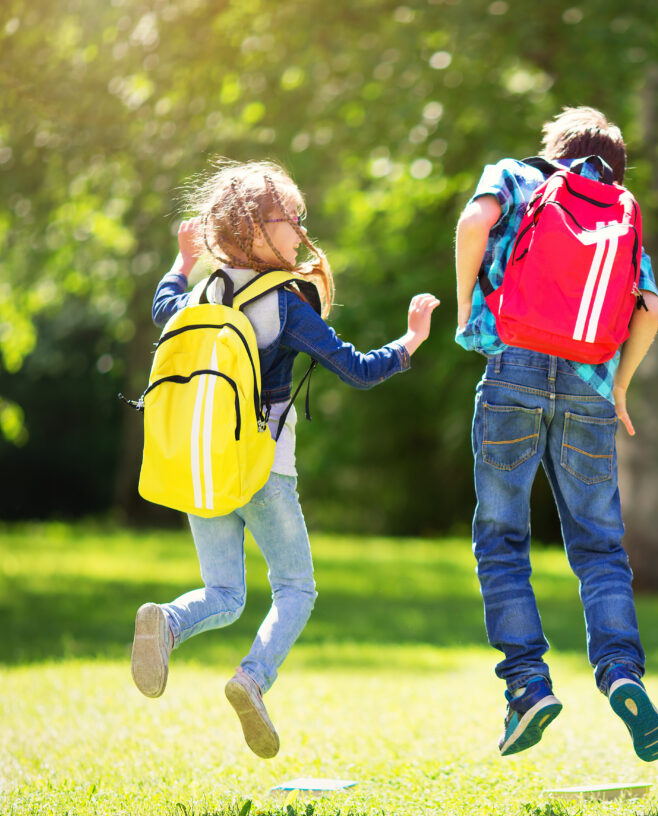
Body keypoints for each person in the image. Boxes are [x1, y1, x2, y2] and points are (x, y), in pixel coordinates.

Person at [130, 160, 440, 758]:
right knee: (296, 587)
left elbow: (161, 304)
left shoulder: (199, 294)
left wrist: (181, 259)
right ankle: (251, 679)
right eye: (291, 220)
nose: (300, 232)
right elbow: (358, 368)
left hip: (204, 467)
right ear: (256, 227)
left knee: (223, 592)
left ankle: (165, 622)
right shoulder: (287, 305)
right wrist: (411, 341)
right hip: (264, 467)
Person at [452, 107, 658, 761]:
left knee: (501, 540)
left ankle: (527, 686)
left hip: (512, 365)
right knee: (601, 549)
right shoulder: (621, 207)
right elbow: (652, 308)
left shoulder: (518, 178)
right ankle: (622, 674)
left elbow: (473, 222)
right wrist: (622, 385)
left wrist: (467, 305)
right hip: (590, 386)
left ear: (554, 148)